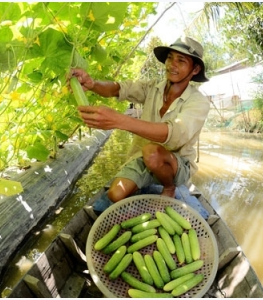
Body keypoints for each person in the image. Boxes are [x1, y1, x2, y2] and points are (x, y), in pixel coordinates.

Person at [70, 36, 210, 213]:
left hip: (176, 164)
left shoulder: (199, 102)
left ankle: (169, 187)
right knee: (115, 195)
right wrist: (92, 84)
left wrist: (120, 120)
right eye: (169, 58)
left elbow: (174, 135)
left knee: (152, 152)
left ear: (195, 69)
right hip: (143, 158)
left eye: (181, 60)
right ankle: (145, 179)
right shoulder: (152, 88)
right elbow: (118, 89)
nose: (172, 64)